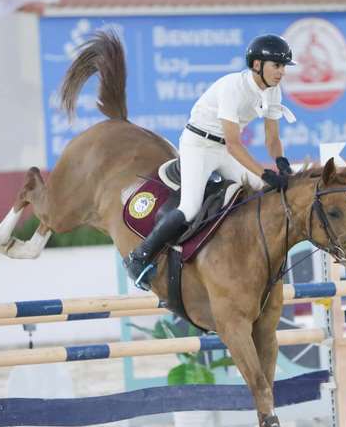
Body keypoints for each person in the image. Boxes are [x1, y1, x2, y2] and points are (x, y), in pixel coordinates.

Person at [125, 34, 298, 289]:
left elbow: (272, 138)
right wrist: (265, 172)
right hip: (199, 145)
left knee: (263, 191)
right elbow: (234, 143)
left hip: (224, 149)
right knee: (190, 207)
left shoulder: (273, 91)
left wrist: (281, 162)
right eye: (277, 65)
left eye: (284, 66)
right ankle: (139, 256)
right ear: (257, 65)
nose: (282, 72)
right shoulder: (233, 87)